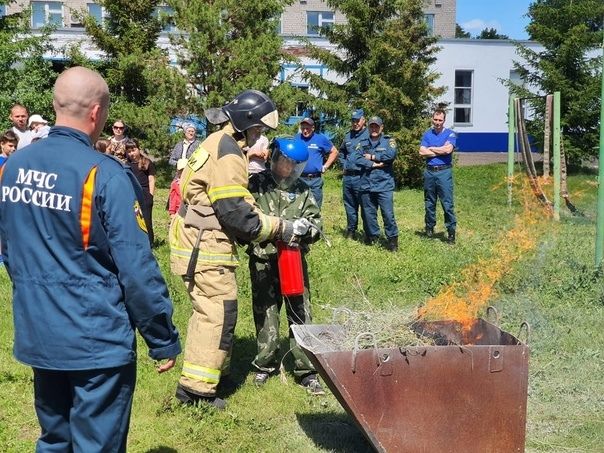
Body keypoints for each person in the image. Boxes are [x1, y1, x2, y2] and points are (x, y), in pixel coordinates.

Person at [0, 66, 181, 452]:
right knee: (95, 445)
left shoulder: (14, 166)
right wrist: (161, 336)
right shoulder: (105, 173)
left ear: (55, 105)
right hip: (94, 339)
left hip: (39, 331)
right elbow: (136, 267)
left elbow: (8, 247)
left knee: (54, 439)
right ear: (97, 113)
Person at [169, 89, 310, 409]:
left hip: (195, 237)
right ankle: (196, 393)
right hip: (205, 244)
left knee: (215, 310)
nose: (260, 138)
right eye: (258, 130)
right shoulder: (229, 153)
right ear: (245, 124)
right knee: (216, 314)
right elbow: (238, 216)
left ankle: (214, 374)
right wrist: (284, 227)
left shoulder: (216, 141)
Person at [247, 137, 324, 395]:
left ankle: (306, 370)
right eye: (284, 163)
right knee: (266, 312)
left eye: (293, 165)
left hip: (292, 261)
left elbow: (316, 225)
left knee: (300, 312)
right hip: (263, 259)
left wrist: (306, 230)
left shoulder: (302, 190)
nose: (287, 169)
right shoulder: (257, 185)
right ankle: (265, 364)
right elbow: (246, 220)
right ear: (275, 159)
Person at [352, 116, 399, 251]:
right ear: (368, 127)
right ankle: (373, 238)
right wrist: (373, 164)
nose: (374, 129)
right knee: (368, 214)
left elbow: (390, 156)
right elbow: (356, 158)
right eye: (371, 126)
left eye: (376, 126)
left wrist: (372, 156)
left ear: (381, 127)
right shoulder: (362, 142)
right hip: (366, 184)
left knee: (388, 214)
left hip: (384, 184)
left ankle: (392, 241)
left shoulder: (389, 141)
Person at [419, 108, 457, 244]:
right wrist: (440, 150)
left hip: (444, 172)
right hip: (429, 172)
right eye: (435, 119)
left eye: (440, 120)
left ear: (444, 121)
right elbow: (421, 152)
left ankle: (451, 232)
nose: (437, 122)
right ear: (432, 119)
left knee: (447, 203)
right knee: (429, 202)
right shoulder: (427, 134)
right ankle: (429, 227)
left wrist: (431, 149)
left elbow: (448, 149)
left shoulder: (450, 134)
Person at [295, 117, 338, 209]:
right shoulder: (296, 138)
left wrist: (325, 166)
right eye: (303, 128)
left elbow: (334, 151)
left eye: (307, 128)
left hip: (315, 181)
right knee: (298, 208)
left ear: (313, 128)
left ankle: (314, 223)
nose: (305, 131)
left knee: (315, 209)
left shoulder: (320, 139)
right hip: (299, 179)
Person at [339, 108, 369, 239]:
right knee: (349, 205)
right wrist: (344, 165)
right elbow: (341, 152)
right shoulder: (348, 136)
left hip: (362, 176)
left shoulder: (369, 135)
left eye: (357, 120)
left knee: (366, 206)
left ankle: (369, 233)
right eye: (353, 121)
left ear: (363, 120)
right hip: (348, 177)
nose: (355, 123)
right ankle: (351, 230)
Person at [126, 139, 156, 246]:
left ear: (139, 149)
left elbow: (151, 179)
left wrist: (151, 195)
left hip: (145, 194)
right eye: (129, 151)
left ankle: (150, 242)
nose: (131, 153)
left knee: (147, 219)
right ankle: (137, 241)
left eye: (133, 150)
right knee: (135, 219)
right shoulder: (127, 165)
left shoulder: (147, 162)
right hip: (133, 194)